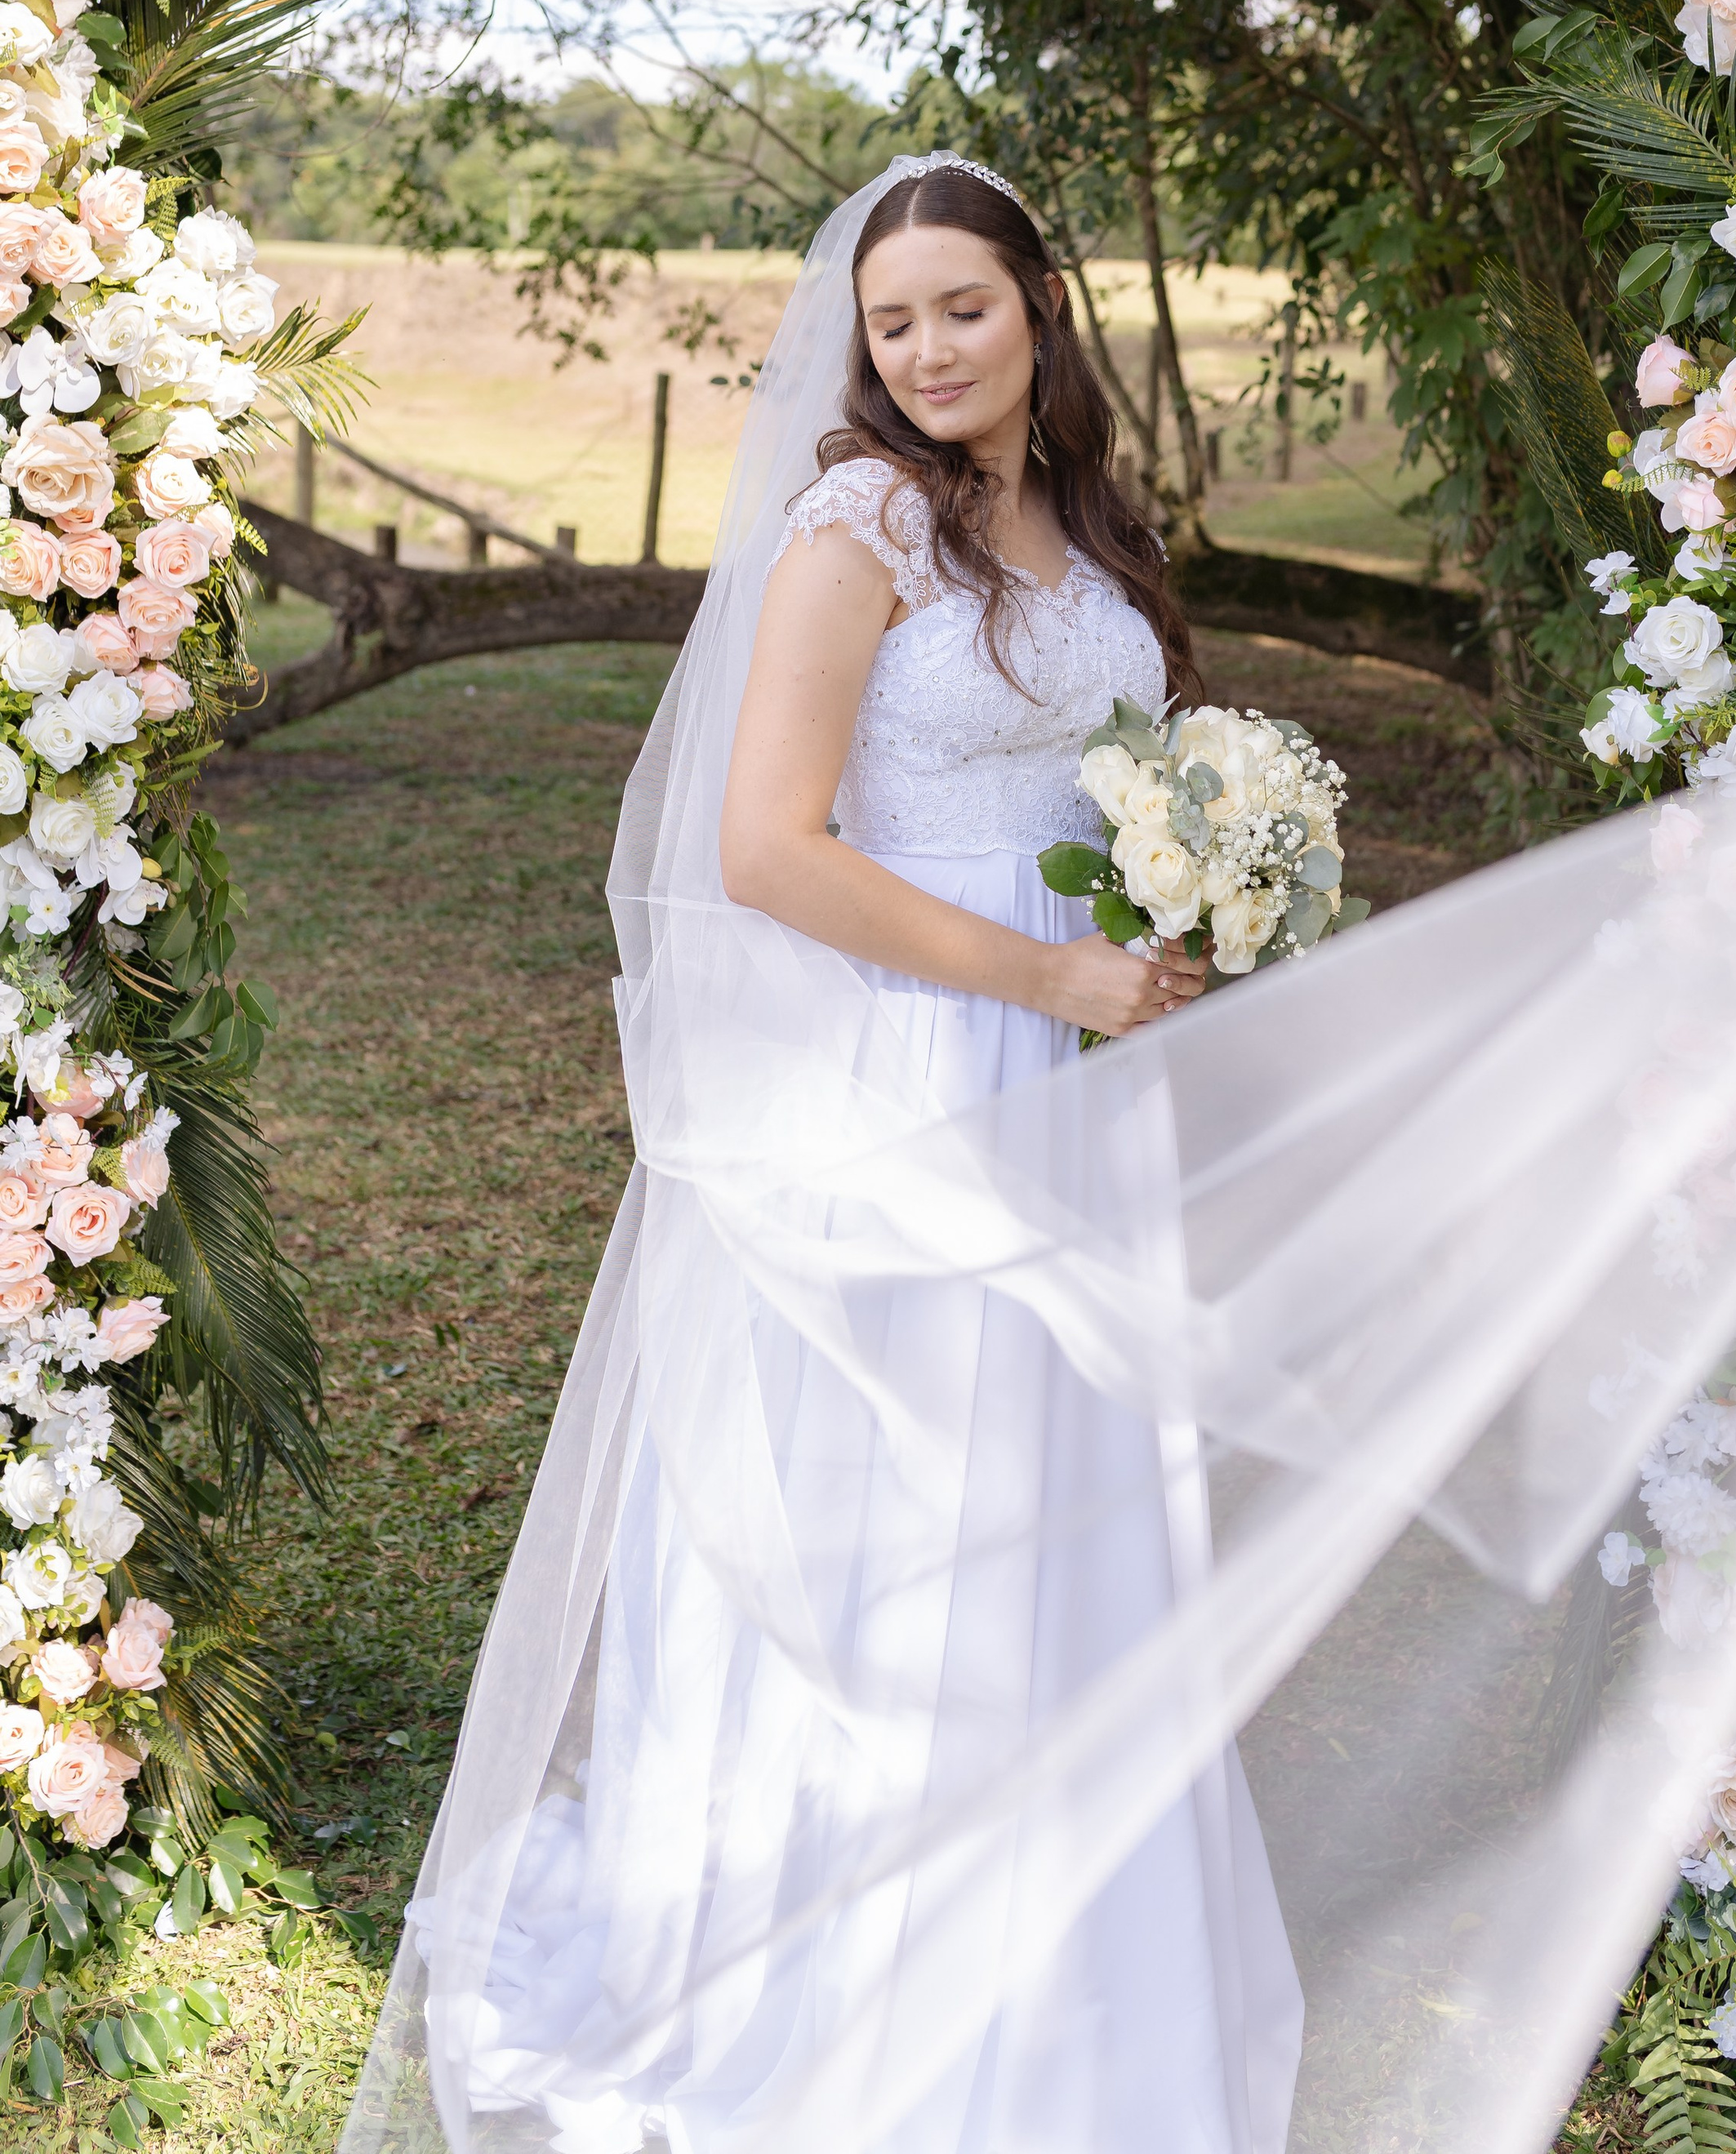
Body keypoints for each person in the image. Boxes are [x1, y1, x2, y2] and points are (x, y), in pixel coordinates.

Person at [346, 154, 1302, 2154]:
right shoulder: (857, 521)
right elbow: (766, 848)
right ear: (858, 349)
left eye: (964, 305)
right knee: (914, 1531)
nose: (930, 347)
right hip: (914, 1069)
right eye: (893, 321)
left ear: (1040, 309)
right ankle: (842, 2009)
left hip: (1075, 1075)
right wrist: (1046, 973)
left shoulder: (1089, 526)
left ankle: (1064, 1986)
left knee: (1066, 1519)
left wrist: (1183, 913)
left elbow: (1108, 774)